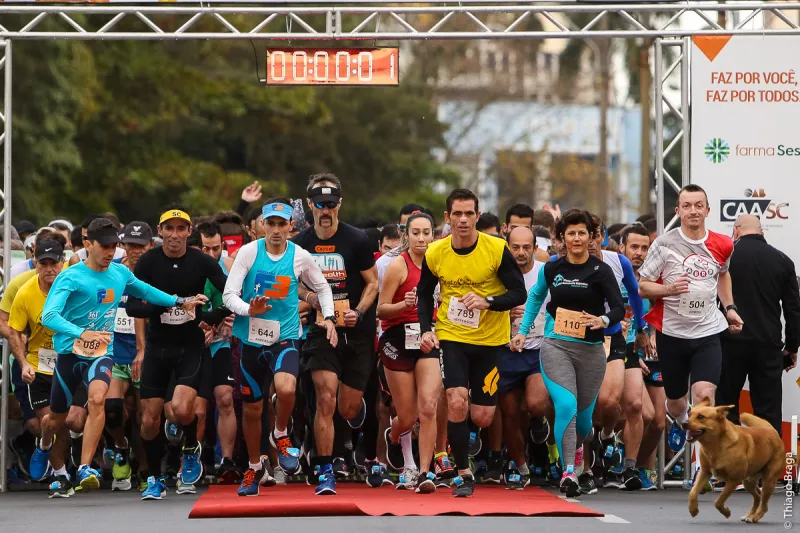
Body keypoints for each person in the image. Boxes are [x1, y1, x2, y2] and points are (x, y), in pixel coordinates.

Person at [31, 219, 204, 497]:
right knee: (55, 419)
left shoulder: (119, 274)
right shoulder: (70, 276)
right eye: (105, 246)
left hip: (101, 353)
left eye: (115, 246)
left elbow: (145, 291)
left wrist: (178, 301)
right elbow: (49, 316)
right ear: (88, 245)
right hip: (68, 355)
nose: (111, 252)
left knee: (99, 400)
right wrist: (81, 332)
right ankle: (43, 444)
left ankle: (85, 467)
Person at [223, 198, 337, 497]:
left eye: (281, 225)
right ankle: (253, 465)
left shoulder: (299, 256)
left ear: (291, 227)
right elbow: (229, 295)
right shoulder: (248, 253)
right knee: (253, 408)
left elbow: (322, 287)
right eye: (270, 224)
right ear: (262, 225)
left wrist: (329, 317)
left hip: (285, 336)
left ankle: (281, 432)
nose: (275, 230)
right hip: (250, 340)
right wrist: (250, 310)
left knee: (286, 390)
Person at [417, 188, 527, 498]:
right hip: (452, 335)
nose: (463, 220)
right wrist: (427, 329)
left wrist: (487, 301)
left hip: (490, 341)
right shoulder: (436, 251)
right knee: (455, 400)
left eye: (469, 214)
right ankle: (462, 472)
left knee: (482, 415)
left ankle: (465, 435)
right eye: (457, 214)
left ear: (477, 216)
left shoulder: (496, 249)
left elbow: (518, 293)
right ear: (447, 217)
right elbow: (424, 293)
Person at [511, 209, 625, 498]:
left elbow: (618, 307)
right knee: (565, 405)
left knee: (585, 422)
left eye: (582, 233)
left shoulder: (602, 271)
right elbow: (536, 296)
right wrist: (523, 331)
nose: (576, 238)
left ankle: (580, 456)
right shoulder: (553, 268)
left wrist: (604, 321)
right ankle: (568, 474)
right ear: (562, 238)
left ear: (591, 237)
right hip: (556, 346)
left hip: (590, 351)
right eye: (571, 233)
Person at [126, 206, 228, 500]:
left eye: (180, 229)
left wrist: (209, 316)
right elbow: (133, 307)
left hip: (189, 345)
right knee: (149, 419)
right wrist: (174, 303)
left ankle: (190, 448)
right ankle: (155, 478)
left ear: (188, 233)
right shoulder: (147, 262)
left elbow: (232, 293)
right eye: (168, 229)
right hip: (158, 346)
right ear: (160, 232)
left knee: (183, 410)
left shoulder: (200, 261)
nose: (174, 235)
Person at [638, 184, 744, 458]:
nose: (693, 210)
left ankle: (703, 467)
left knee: (704, 396)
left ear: (707, 210)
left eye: (699, 205)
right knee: (675, 400)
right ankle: (679, 418)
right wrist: (669, 290)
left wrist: (729, 307)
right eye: (687, 205)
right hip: (672, 334)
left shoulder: (723, 244)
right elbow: (643, 287)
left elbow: (723, 274)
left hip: (708, 331)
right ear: (678, 211)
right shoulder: (664, 243)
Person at [292, 174, 379, 496]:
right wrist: (313, 299)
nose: (325, 210)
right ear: (309, 205)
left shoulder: (356, 240)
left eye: (330, 204)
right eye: (319, 204)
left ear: (339, 204)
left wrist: (360, 310)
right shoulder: (300, 244)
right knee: (325, 398)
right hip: (320, 329)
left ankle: (355, 414)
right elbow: (293, 284)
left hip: (355, 331)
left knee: (346, 407)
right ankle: (325, 466)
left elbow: (372, 282)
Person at [716, 214, 800, 435]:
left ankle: (730, 466)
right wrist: (792, 347)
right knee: (768, 413)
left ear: (735, 231)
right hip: (768, 345)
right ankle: (769, 468)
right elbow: (793, 310)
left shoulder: (724, 258)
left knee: (726, 408)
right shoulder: (782, 260)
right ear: (763, 233)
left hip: (729, 341)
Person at [377, 212, 441, 493]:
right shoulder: (397, 267)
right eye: (416, 233)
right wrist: (403, 305)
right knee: (408, 415)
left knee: (428, 407)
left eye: (426, 232)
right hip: (397, 341)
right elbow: (380, 310)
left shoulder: (440, 265)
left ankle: (424, 471)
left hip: (428, 338)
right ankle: (393, 435)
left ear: (434, 235)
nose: (422, 238)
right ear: (406, 235)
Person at [497, 226, 554, 490]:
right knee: (509, 413)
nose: (521, 253)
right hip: (506, 352)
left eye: (526, 247)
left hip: (537, 349)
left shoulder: (544, 274)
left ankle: (538, 419)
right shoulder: (496, 275)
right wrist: (503, 315)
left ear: (535, 248)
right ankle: (520, 466)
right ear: (508, 247)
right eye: (516, 247)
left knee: (536, 403)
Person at [105, 222, 154, 492]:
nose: (135, 251)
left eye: (141, 246)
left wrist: (143, 349)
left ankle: (146, 469)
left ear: (150, 245)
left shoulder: (153, 272)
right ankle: (121, 449)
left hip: (142, 351)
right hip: (113, 350)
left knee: (141, 416)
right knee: (112, 409)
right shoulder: (112, 270)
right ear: (123, 245)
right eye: (130, 245)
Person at [617, 222, 663, 490]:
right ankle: (622, 462)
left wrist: (653, 334)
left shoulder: (656, 278)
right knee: (637, 411)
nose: (639, 252)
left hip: (652, 353)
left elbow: (662, 309)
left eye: (645, 247)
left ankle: (642, 468)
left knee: (658, 420)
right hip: (625, 353)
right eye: (634, 246)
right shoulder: (613, 276)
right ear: (622, 247)